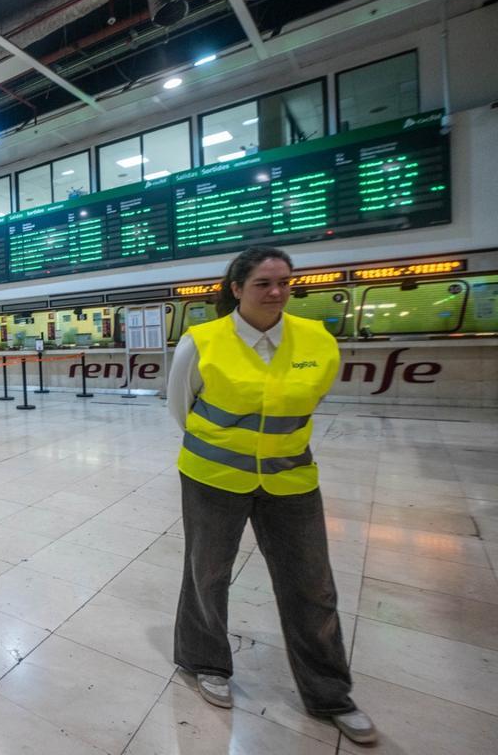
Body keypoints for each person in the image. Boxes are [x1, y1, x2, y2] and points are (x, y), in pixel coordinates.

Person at [166, 246, 377, 746]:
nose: (277, 292)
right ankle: (204, 662)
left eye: (284, 282)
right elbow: (182, 408)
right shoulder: (201, 342)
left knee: (312, 586)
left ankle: (330, 694)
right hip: (213, 478)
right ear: (236, 288)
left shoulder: (316, 340)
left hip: (291, 479)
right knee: (207, 573)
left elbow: (312, 400)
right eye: (263, 283)